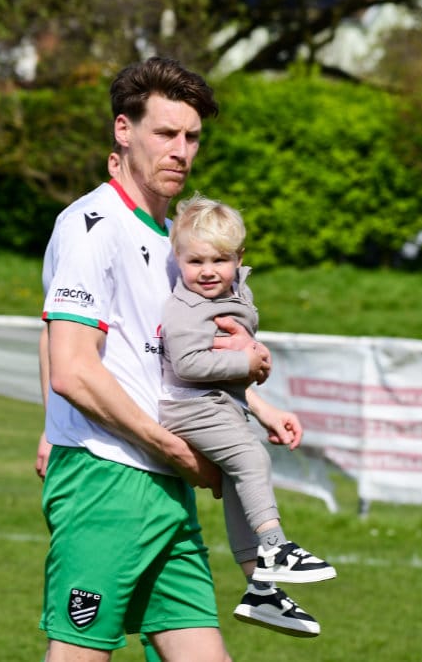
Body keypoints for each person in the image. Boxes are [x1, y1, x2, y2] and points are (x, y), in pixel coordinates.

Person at [37, 57, 300, 662]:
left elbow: (156, 353)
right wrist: (174, 449)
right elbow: (72, 366)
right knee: (78, 654)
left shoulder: (172, 241)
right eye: (165, 133)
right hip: (107, 478)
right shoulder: (91, 226)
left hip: (163, 483)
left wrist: (252, 393)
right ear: (123, 130)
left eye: (192, 137)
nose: (181, 151)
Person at [159, 193, 336, 638]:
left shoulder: (237, 288)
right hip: (189, 405)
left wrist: (253, 372)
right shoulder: (185, 307)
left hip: (222, 403)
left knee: (240, 484)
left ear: (239, 258)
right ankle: (274, 546)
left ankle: (261, 590)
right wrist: (247, 361)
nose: (207, 271)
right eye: (195, 261)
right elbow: (188, 364)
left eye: (219, 260)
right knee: (251, 458)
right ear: (178, 258)